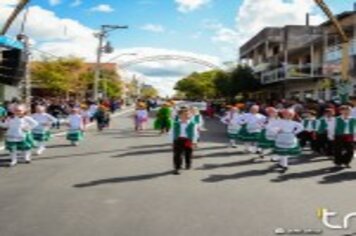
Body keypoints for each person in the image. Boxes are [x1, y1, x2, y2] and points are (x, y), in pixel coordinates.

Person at [273, 109, 304, 173]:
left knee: (284, 151)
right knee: (283, 151)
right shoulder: (280, 121)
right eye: (286, 115)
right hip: (282, 137)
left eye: (290, 115)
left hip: (289, 137)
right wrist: (277, 131)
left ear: (292, 116)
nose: (288, 116)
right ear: (283, 115)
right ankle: (282, 164)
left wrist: (294, 132)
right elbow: (271, 126)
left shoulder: (294, 122)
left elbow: (301, 127)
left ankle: (284, 165)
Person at [170, 107, 198, 175]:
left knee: (188, 153)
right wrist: (171, 141)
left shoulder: (192, 124)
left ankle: (188, 164)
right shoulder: (176, 123)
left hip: (188, 140)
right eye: (185, 114)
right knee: (177, 155)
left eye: (188, 114)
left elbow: (195, 133)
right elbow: (171, 133)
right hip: (178, 140)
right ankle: (177, 167)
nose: (187, 116)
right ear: (180, 116)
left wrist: (194, 142)